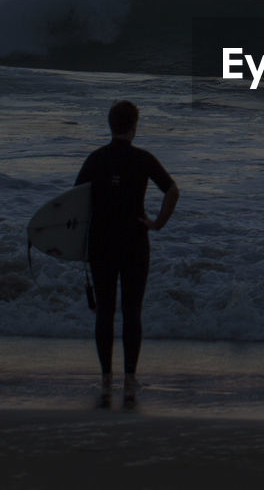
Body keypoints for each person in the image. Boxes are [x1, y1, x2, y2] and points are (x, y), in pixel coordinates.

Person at [75, 100, 178, 395]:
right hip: (134, 242)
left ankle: (107, 377)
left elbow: (74, 202)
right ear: (134, 126)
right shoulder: (143, 159)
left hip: (101, 243)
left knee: (105, 310)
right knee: (132, 310)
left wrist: (77, 243)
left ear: (110, 125)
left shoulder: (95, 160)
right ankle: (130, 377)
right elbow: (172, 190)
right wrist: (157, 223)